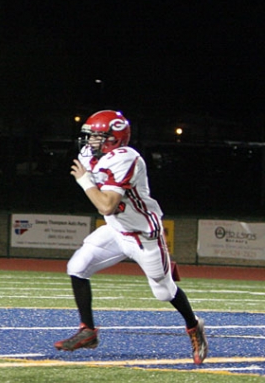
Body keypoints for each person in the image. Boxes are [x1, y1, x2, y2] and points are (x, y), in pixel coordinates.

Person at [56, 109, 208, 365]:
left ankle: (195, 327)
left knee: (164, 291)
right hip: (116, 229)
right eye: (90, 136)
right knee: (77, 267)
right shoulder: (90, 154)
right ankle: (88, 331)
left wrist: (85, 182)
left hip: (143, 236)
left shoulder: (126, 158)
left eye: (96, 136)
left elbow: (106, 206)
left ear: (114, 139)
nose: (89, 141)